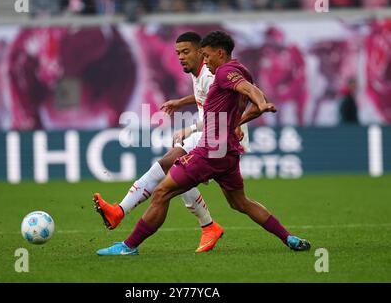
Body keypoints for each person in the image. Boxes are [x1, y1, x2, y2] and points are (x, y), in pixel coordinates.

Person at [96, 31, 311, 256]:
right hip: (228, 152)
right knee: (241, 203)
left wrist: (258, 103)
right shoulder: (239, 70)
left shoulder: (223, 72)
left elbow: (251, 92)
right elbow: (252, 97)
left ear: (220, 53)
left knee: (162, 192)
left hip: (210, 150)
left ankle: (128, 246)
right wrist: (244, 116)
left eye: (207, 56)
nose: (204, 61)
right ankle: (289, 238)